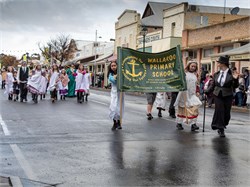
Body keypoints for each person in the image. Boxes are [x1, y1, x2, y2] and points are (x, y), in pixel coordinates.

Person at [205, 55, 239, 137]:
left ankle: (224, 124)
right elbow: (213, 84)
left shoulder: (231, 74)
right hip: (217, 94)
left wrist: (235, 79)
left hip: (228, 95)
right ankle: (221, 128)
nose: (218, 64)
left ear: (223, 64)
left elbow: (235, 86)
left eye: (219, 63)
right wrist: (207, 91)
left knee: (226, 112)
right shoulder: (216, 74)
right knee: (219, 110)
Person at [174, 61, 202, 131]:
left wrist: (198, 91)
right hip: (184, 94)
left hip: (192, 94)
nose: (193, 68)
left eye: (194, 67)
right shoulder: (184, 74)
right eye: (192, 66)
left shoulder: (196, 75)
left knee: (195, 108)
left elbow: (197, 84)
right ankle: (179, 123)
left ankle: (193, 124)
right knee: (182, 109)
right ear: (189, 66)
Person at [108, 60, 124, 130]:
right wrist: (116, 77)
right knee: (113, 107)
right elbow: (112, 80)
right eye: (112, 66)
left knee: (119, 107)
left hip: (120, 92)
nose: (113, 67)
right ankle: (114, 122)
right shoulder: (110, 74)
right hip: (114, 92)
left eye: (114, 65)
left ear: (117, 66)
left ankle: (119, 122)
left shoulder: (121, 73)